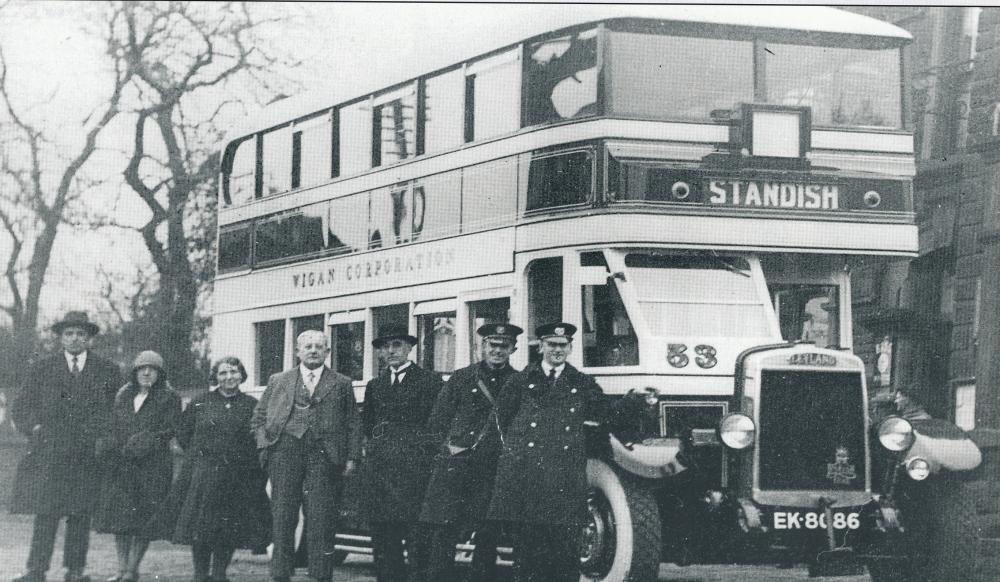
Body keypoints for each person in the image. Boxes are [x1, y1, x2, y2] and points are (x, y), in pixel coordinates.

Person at [487, 322, 609, 582]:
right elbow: (499, 426)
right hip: (528, 483)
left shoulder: (583, 384)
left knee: (564, 558)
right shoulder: (520, 381)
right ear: (540, 346)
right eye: (552, 345)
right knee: (528, 558)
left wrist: (635, 404)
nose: (557, 350)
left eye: (562, 345)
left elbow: (604, 419)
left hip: (565, 484)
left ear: (571, 348)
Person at [9, 311, 123, 582]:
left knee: (80, 515)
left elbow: (118, 411)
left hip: (87, 455)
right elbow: (21, 407)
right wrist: (35, 428)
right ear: (60, 338)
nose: (75, 339)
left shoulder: (106, 370)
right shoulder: (42, 368)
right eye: (69, 333)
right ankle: (36, 570)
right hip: (50, 453)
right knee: (46, 513)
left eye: (81, 334)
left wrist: (105, 439)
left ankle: (75, 571)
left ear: (89, 339)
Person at [250, 330, 362, 582]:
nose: (313, 350)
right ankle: (280, 574)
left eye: (319, 346)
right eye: (308, 346)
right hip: (285, 454)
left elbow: (353, 422)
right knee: (283, 516)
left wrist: (352, 457)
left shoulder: (341, 383)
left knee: (321, 518)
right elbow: (258, 416)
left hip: (324, 457)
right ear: (298, 351)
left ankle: (320, 575)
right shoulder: (279, 380)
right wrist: (264, 446)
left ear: (327, 352)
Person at [420, 323, 524, 582]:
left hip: (494, 466)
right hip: (457, 463)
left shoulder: (519, 382)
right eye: (493, 345)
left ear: (513, 348)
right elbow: (438, 420)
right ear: (482, 346)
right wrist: (442, 453)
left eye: (504, 346)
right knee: (445, 529)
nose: (497, 351)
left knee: (488, 532)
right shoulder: (462, 378)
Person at [171, 357, 271, 582]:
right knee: (201, 526)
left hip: (236, 476)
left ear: (241, 375)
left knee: (228, 527)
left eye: (234, 372)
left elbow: (257, 437)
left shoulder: (251, 405)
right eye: (223, 373)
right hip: (204, 475)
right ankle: (200, 574)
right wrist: (201, 457)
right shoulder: (201, 401)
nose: (229, 377)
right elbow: (183, 433)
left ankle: (219, 573)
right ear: (215, 377)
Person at [361, 324, 443, 582]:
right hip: (382, 472)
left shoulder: (430, 381)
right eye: (385, 347)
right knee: (385, 537)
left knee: (418, 536)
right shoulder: (375, 385)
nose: (391, 351)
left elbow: (437, 425)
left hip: (415, 472)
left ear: (409, 348)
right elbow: (370, 426)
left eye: (397, 345)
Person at [94, 350, 182, 582]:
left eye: (151, 369)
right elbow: (112, 424)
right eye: (141, 368)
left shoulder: (169, 397)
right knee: (120, 519)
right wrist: (110, 444)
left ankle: (132, 569)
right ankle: (121, 568)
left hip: (152, 467)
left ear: (159, 373)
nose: (146, 372)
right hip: (122, 465)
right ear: (134, 372)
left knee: (143, 519)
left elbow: (170, 428)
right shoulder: (124, 395)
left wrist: (145, 442)